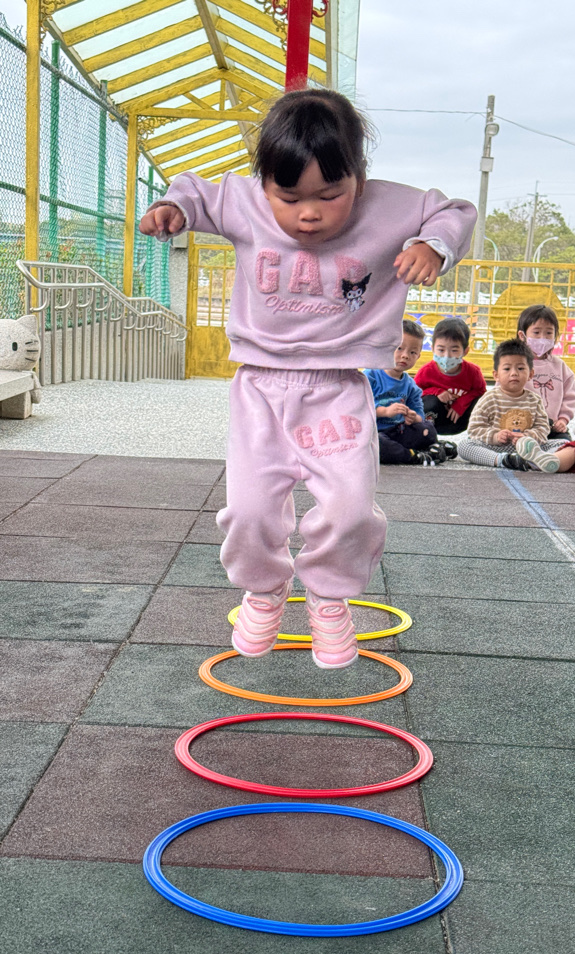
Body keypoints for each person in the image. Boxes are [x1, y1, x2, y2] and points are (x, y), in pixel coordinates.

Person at [139, 88, 476, 668]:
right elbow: (194, 188)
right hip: (260, 388)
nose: (309, 213)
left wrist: (432, 243)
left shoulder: (387, 206)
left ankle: (327, 596)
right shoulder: (245, 200)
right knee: (249, 510)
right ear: (264, 183)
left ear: (359, 178)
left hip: (337, 388)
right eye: (289, 197)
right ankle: (265, 588)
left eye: (330, 195)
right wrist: (175, 207)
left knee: (350, 508)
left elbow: (457, 212)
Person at [458, 338, 570, 471]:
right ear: (496, 375)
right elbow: (475, 428)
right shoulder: (489, 398)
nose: (514, 373)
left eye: (520, 368)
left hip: (528, 448)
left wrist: (528, 437)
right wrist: (495, 436)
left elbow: (543, 427)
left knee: (564, 444)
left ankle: (535, 460)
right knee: (464, 446)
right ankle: (504, 460)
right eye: (507, 368)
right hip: (496, 448)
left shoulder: (534, 400)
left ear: (531, 374)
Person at [364, 320, 456, 465]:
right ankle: (414, 456)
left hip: (399, 431)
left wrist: (414, 417)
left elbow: (419, 413)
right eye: (399, 348)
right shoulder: (370, 376)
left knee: (428, 428)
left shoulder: (411, 385)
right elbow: (359, 408)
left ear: (418, 356)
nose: (405, 355)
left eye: (412, 352)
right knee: (377, 444)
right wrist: (385, 411)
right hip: (375, 433)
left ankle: (432, 447)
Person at [414, 317, 486, 433]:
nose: (447, 356)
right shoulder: (426, 371)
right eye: (441, 350)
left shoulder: (473, 372)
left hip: (462, 421)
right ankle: (427, 434)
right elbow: (414, 393)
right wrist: (436, 392)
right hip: (436, 422)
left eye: (454, 350)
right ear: (432, 349)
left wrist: (461, 403)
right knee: (428, 401)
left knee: (482, 402)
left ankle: (477, 435)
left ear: (465, 351)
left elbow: (480, 391)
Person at [517, 304, 575, 440]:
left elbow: (570, 396)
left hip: (553, 428)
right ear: (522, 335)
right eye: (536, 332)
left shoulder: (560, 366)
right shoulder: (515, 364)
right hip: (522, 428)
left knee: (565, 444)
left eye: (549, 333)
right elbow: (501, 393)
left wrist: (563, 420)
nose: (542, 337)